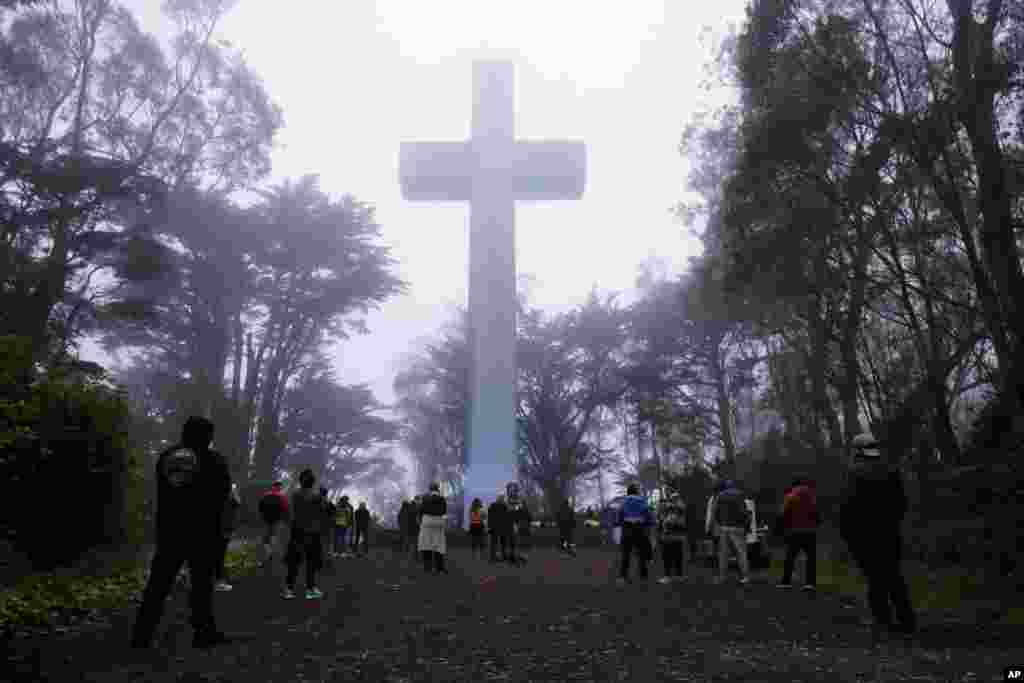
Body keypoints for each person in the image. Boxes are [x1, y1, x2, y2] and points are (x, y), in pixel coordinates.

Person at [130, 416, 231, 650]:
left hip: (170, 530)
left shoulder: (167, 457)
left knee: (158, 584)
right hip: (203, 533)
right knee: (201, 586)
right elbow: (222, 495)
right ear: (207, 436)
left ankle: (141, 635)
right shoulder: (214, 460)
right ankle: (204, 633)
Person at [840, 433, 916, 642]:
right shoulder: (891, 470)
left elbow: (848, 508)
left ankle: (883, 621)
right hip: (890, 533)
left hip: (865, 536)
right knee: (894, 577)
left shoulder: (854, 473)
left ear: (857, 451)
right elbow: (902, 504)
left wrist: (848, 535)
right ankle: (907, 620)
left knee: (875, 579)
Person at [282, 469, 325, 600]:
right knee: (311, 562)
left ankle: (289, 589)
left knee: (293, 562)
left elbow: (290, 512)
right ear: (313, 483)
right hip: (312, 533)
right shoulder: (317, 497)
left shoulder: (295, 495)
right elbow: (322, 513)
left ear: (301, 481)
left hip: (297, 531)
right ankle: (310, 589)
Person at [777, 476, 818, 590]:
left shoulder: (790, 497)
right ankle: (810, 583)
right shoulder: (811, 496)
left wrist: (781, 528)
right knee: (811, 558)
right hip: (810, 531)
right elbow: (816, 513)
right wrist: (815, 524)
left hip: (794, 530)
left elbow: (782, 514)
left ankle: (786, 581)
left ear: (794, 486)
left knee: (790, 557)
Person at [709, 480, 752, 585]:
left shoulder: (720, 496)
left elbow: (715, 511)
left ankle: (722, 577)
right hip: (738, 527)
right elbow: (743, 511)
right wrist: (747, 524)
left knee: (723, 554)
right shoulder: (739, 494)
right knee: (741, 553)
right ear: (734, 486)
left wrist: (719, 523)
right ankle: (745, 577)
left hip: (724, 527)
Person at [617, 484, 655, 584]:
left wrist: (620, 523)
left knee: (626, 554)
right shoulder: (641, 500)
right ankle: (643, 575)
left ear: (628, 492)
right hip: (639, 528)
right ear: (636, 491)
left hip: (627, 528)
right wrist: (649, 523)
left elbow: (620, 515)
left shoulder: (623, 501)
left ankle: (623, 576)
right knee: (641, 553)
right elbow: (648, 514)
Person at [215, 483, 242, 592]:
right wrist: (234, 490)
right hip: (223, 529)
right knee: (219, 556)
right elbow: (238, 502)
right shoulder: (230, 497)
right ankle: (219, 582)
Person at [258, 481, 290, 569]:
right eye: (280, 487)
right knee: (276, 538)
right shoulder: (282, 497)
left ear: (273, 487)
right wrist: (287, 520)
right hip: (278, 521)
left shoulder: (266, 495)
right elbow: (286, 509)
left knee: (266, 540)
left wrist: (263, 516)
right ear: (279, 488)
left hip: (267, 520)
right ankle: (278, 558)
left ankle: (269, 555)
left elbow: (260, 507)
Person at [658, 494, 689, 583]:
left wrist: (663, 523)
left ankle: (667, 576)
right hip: (678, 536)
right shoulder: (682, 507)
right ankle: (679, 576)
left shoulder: (669, 507)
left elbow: (665, 520)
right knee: (678, 556)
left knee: (667, 557)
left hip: (669, 536)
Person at [418, 483, 448, 573]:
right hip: (438, 522)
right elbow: (444, 511)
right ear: (437, 489)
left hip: (427, 521)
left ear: (430, 489)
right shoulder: (442, 498)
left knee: (426, 545)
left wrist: (420, 520)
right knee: (439, 546)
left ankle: (427, 567)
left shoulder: (425, 497)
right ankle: (439, 568)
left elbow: (421, 510)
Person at [487, 495, 509, 562]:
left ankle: (493, 557)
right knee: (503, 543)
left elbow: (489, 516)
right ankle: (503, 556)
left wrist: (489, 526)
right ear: (501, 499)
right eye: (502, 498)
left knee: (494, 543)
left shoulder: (492, 505)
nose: (503, 499)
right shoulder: (505, 506)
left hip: (494, 527)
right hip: (502, 527)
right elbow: (507, 517)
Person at [320, 488, 336, 568]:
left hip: (319, 526)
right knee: (327, 544)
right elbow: (334, 514)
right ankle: (328, 559)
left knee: (320, 543)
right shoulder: (329, 503)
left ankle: (323, 559)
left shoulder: (316, 502)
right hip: (327, 526)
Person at [407, 496, 422, 561]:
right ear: (416, 500)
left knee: (414, 543)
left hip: (414, 528)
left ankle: (414, 557)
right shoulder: (414, 507)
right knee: (415, 543)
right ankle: (414, 557)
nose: (420, 502)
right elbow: (415, 517)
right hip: (414, 528)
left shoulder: (411, 506)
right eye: (419, 500)